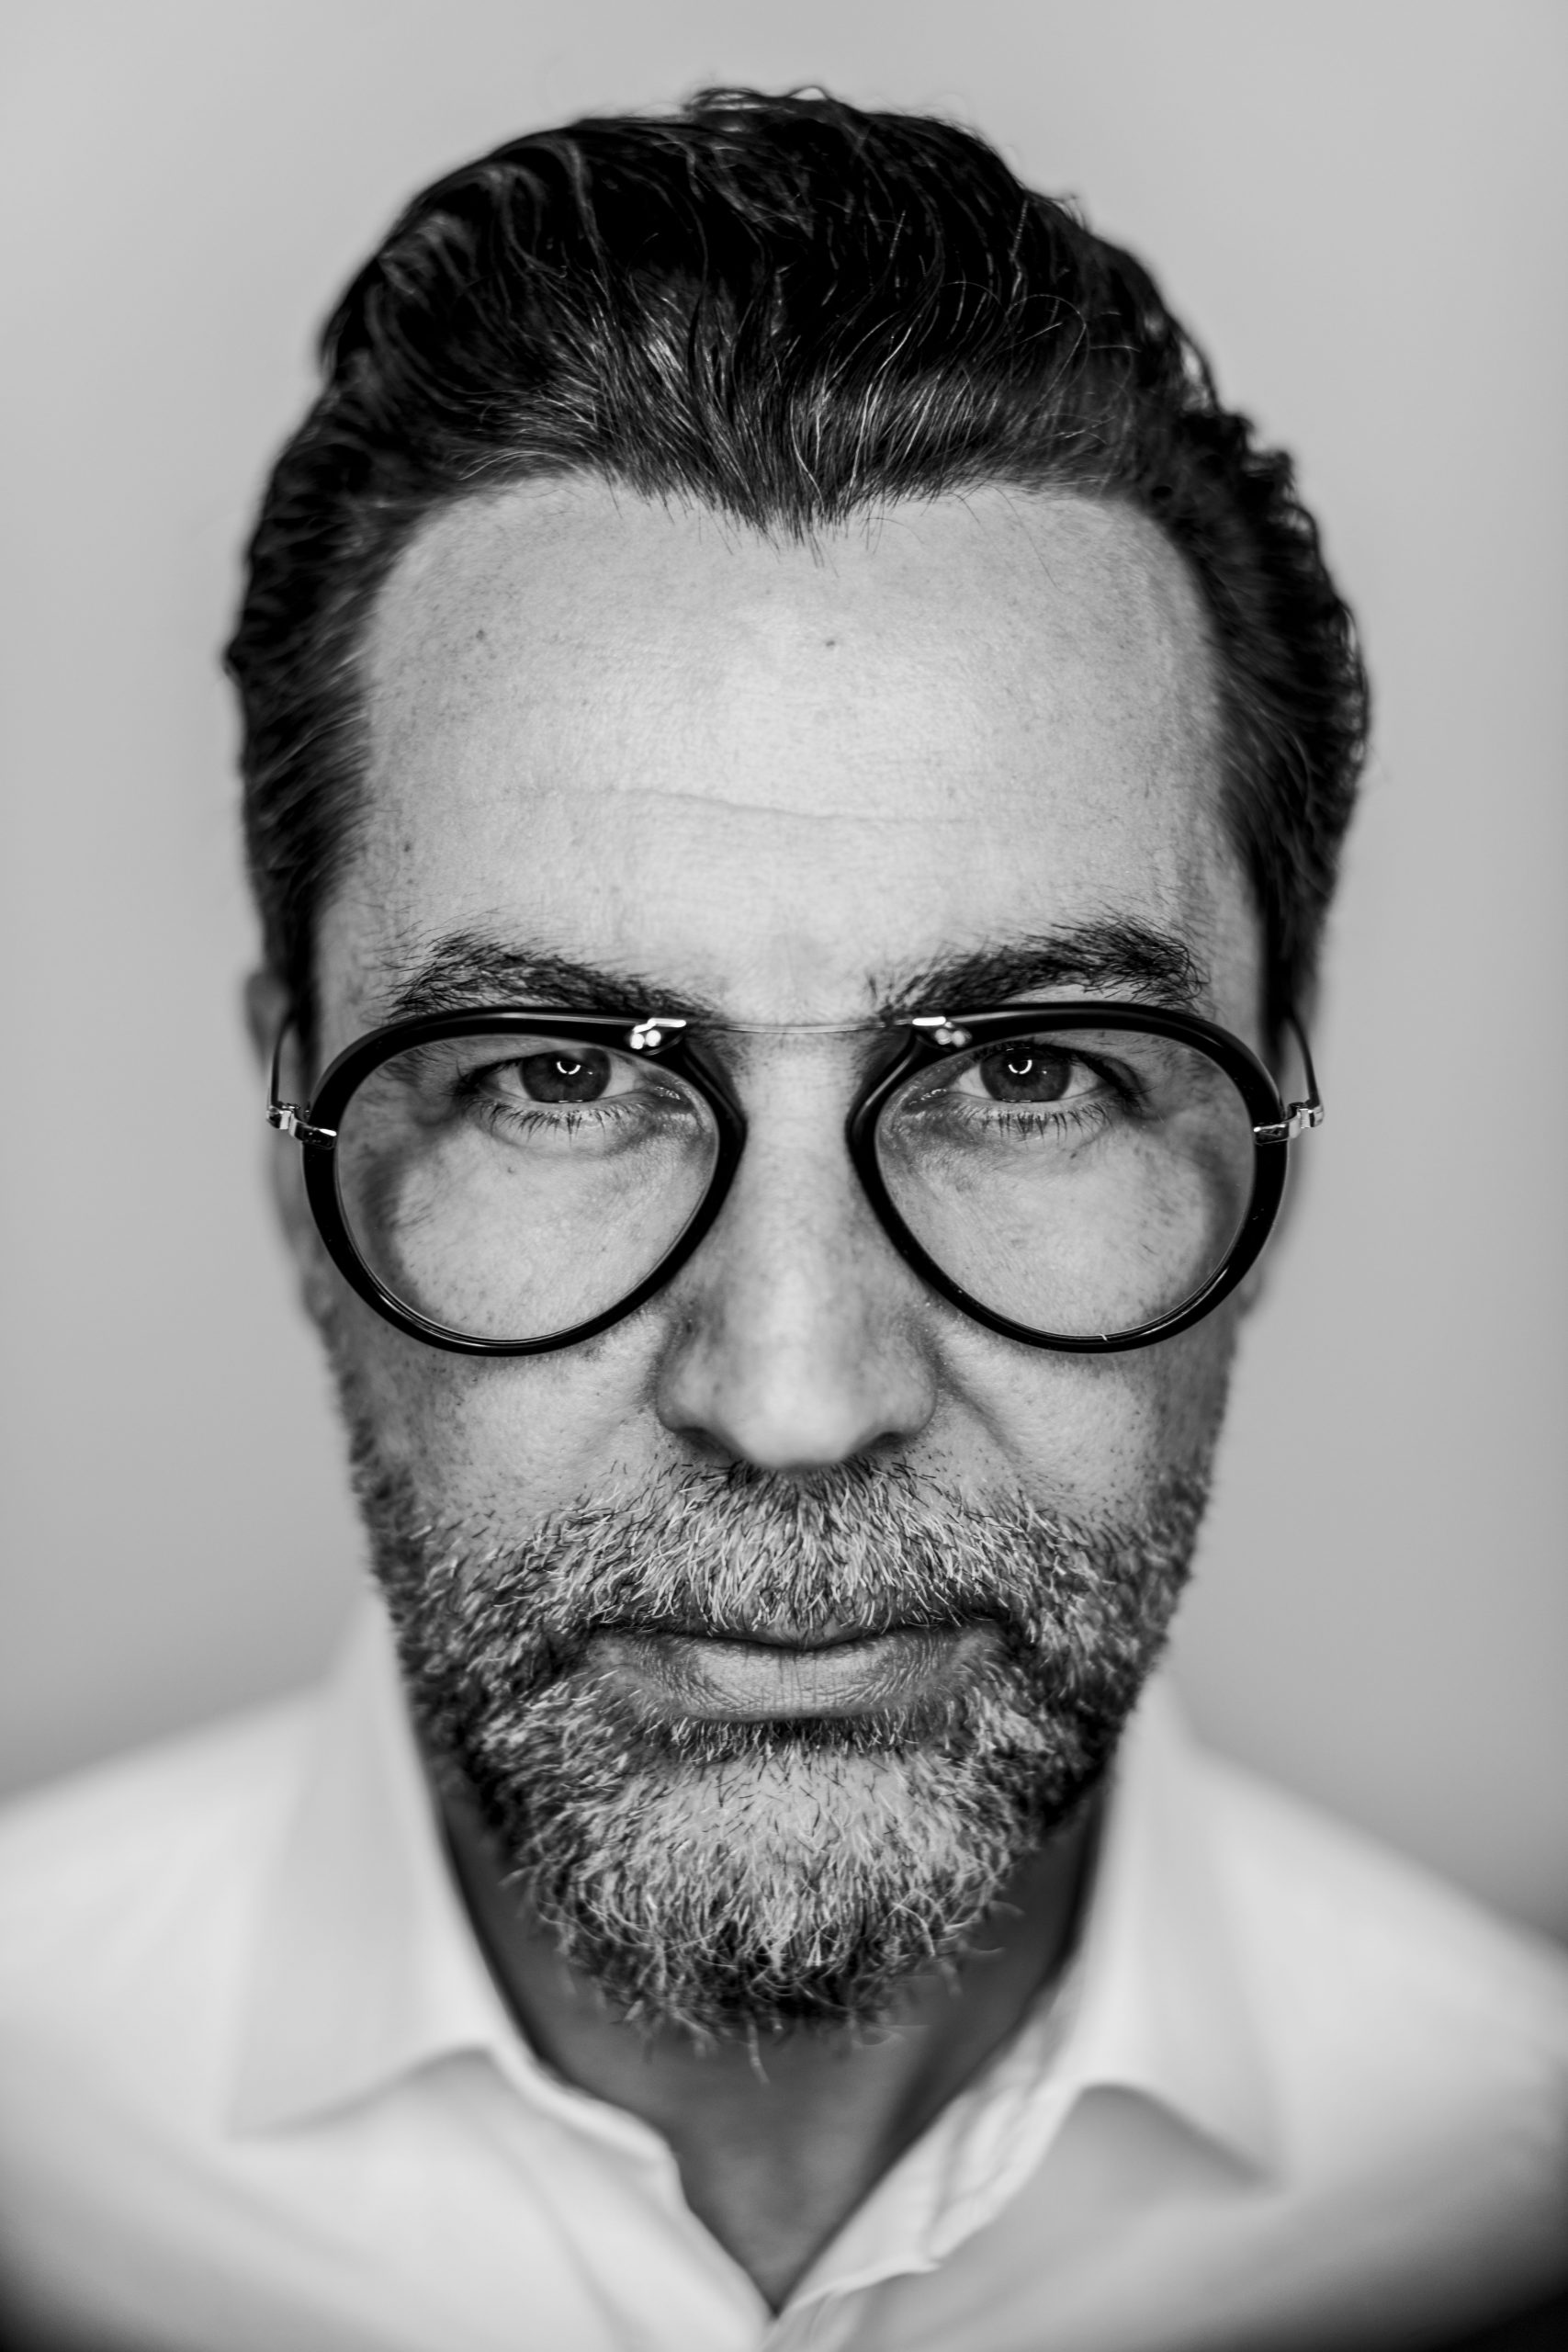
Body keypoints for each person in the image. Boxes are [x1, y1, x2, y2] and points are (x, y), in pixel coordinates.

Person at [1, 86, 1563, 2352]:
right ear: (293, 1145)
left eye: (1026, 1077)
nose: (797, 1394)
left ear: (1263, 1144)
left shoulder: (1505, 2171)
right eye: (557, 1080)